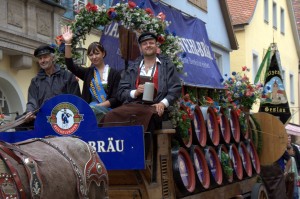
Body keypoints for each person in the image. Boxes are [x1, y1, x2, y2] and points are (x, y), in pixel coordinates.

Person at [103, 32, 181, 131]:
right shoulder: (133, 67)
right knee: (111, 115)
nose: (148, 45)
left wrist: (162, 103)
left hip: (155, 106)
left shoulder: (167, 65)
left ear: (156, 45)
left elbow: (176, 88)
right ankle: (114, 145)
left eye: (151, 43)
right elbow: (121, 92)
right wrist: (135, 92)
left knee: (146, 119)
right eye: (144, 44)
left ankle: (142, 146)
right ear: (140, 48)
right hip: (134, 105)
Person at [62, 26, 121, 122]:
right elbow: (70, 65)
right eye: (91, 55)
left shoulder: (114, 74)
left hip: (108, 111)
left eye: (97, 53)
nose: (94, 57)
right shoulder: (88, 73)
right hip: (90, 111)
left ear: (103, 54)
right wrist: (68, 43)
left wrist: (98, 107)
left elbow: (116, 98)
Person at [17, 44, 81, 130]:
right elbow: (32, 101)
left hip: (64, 117)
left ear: (52, 58)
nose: (42, 60)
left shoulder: (67, 77)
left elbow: (76, 100)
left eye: (45, 57)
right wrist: (30, 112)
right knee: (19, 121)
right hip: (42, 118)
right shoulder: (35, 81)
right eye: (40, 58)